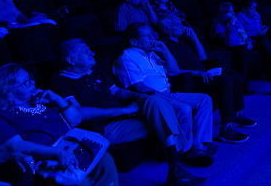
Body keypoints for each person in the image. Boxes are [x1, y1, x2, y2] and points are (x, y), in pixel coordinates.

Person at [50, 39, 208, 185]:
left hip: (124, 119)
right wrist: (123, 110)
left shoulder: (94, 69)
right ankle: (181, 155)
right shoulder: (60, 81)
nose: (93, 53)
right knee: (161, 115)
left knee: (153, 99)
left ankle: (176, 167)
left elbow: (117, 91)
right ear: (71, 60)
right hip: (102, 129)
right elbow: (78, 113)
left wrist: (140, 97)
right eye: (85, 51)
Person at [0, 64, 119, 186]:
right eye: (26, 83)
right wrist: (57, 152)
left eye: (31, 78)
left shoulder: (41, 102)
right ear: (7, 92)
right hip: (47, 159)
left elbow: (76, 120)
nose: (33, 83)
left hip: (73, 147)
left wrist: (57, 99)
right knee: (80, 180)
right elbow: (17, 146)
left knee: (105, 160)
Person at [113, 23, 216, 163]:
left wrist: (165, 50)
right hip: (152, 100)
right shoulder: (127, 58)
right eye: (147, 35)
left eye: (152, 34)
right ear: (134, 41)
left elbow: (174, 71)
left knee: (204, 100)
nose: (152, 37)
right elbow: (140, 89)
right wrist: (171, 100)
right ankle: (184, 152)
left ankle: (198, 147)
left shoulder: (150, 53)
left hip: (168, 93)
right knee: (184, 108)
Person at [157, 15, 253, 143]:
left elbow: (202, 57)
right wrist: (196, 72)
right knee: (225, 80)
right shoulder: (163, 45)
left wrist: (194, 37)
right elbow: (169, 71)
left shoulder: (185, 40)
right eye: (177, 24)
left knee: (234, 75)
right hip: (188, 80)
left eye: (181, 23)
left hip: (203, 76)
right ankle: (226, 128)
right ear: (167, 29)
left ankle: (237, 114)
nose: (181, 26)